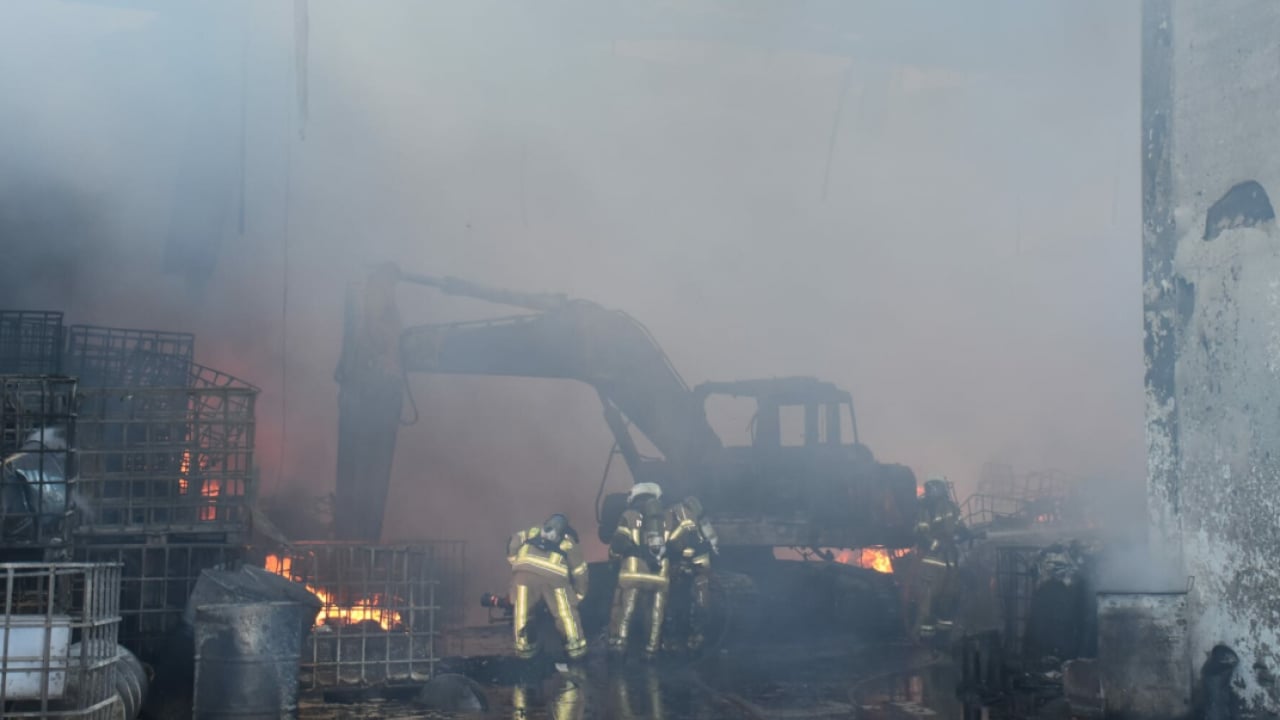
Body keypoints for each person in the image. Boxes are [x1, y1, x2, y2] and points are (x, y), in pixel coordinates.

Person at [507, 513, 590, 661]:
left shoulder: (533, 531)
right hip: (554, 578)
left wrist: (515, 561)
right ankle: (575, 649)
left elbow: (513, 541)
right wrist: (578, 595)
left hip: (524, 573)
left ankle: (524, 649)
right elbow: (580, 572)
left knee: (522, 612)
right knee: (565, 614)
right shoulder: (569, 542)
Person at [607, 482, 670, 659]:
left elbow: (618, 543)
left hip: (633, 574)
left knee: (625, 610)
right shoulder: (668, 517)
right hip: (660, 576)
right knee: (656, 613)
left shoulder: (630, 515)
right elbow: (676, 545)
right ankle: (652, 649)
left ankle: (619, 645)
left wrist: (613, 556)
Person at [910, 477, 968, 644]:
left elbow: (959, 526)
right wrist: (937, 544)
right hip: (932, 562)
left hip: (950, 562)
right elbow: (921, 534)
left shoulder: (951, 507)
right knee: (927, 603)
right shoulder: (926, 509)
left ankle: (943, 639)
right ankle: (924, 641)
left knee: (948, 601)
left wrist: (964, 533)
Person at [663, 495, 718, 654]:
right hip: (697, 560)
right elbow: (709, 538)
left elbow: (672, 540)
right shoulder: (695, 512)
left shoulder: (673, 513)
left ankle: (676, 638)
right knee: (697, 595)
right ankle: (695, 636)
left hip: (685, 561)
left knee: (676, 598)